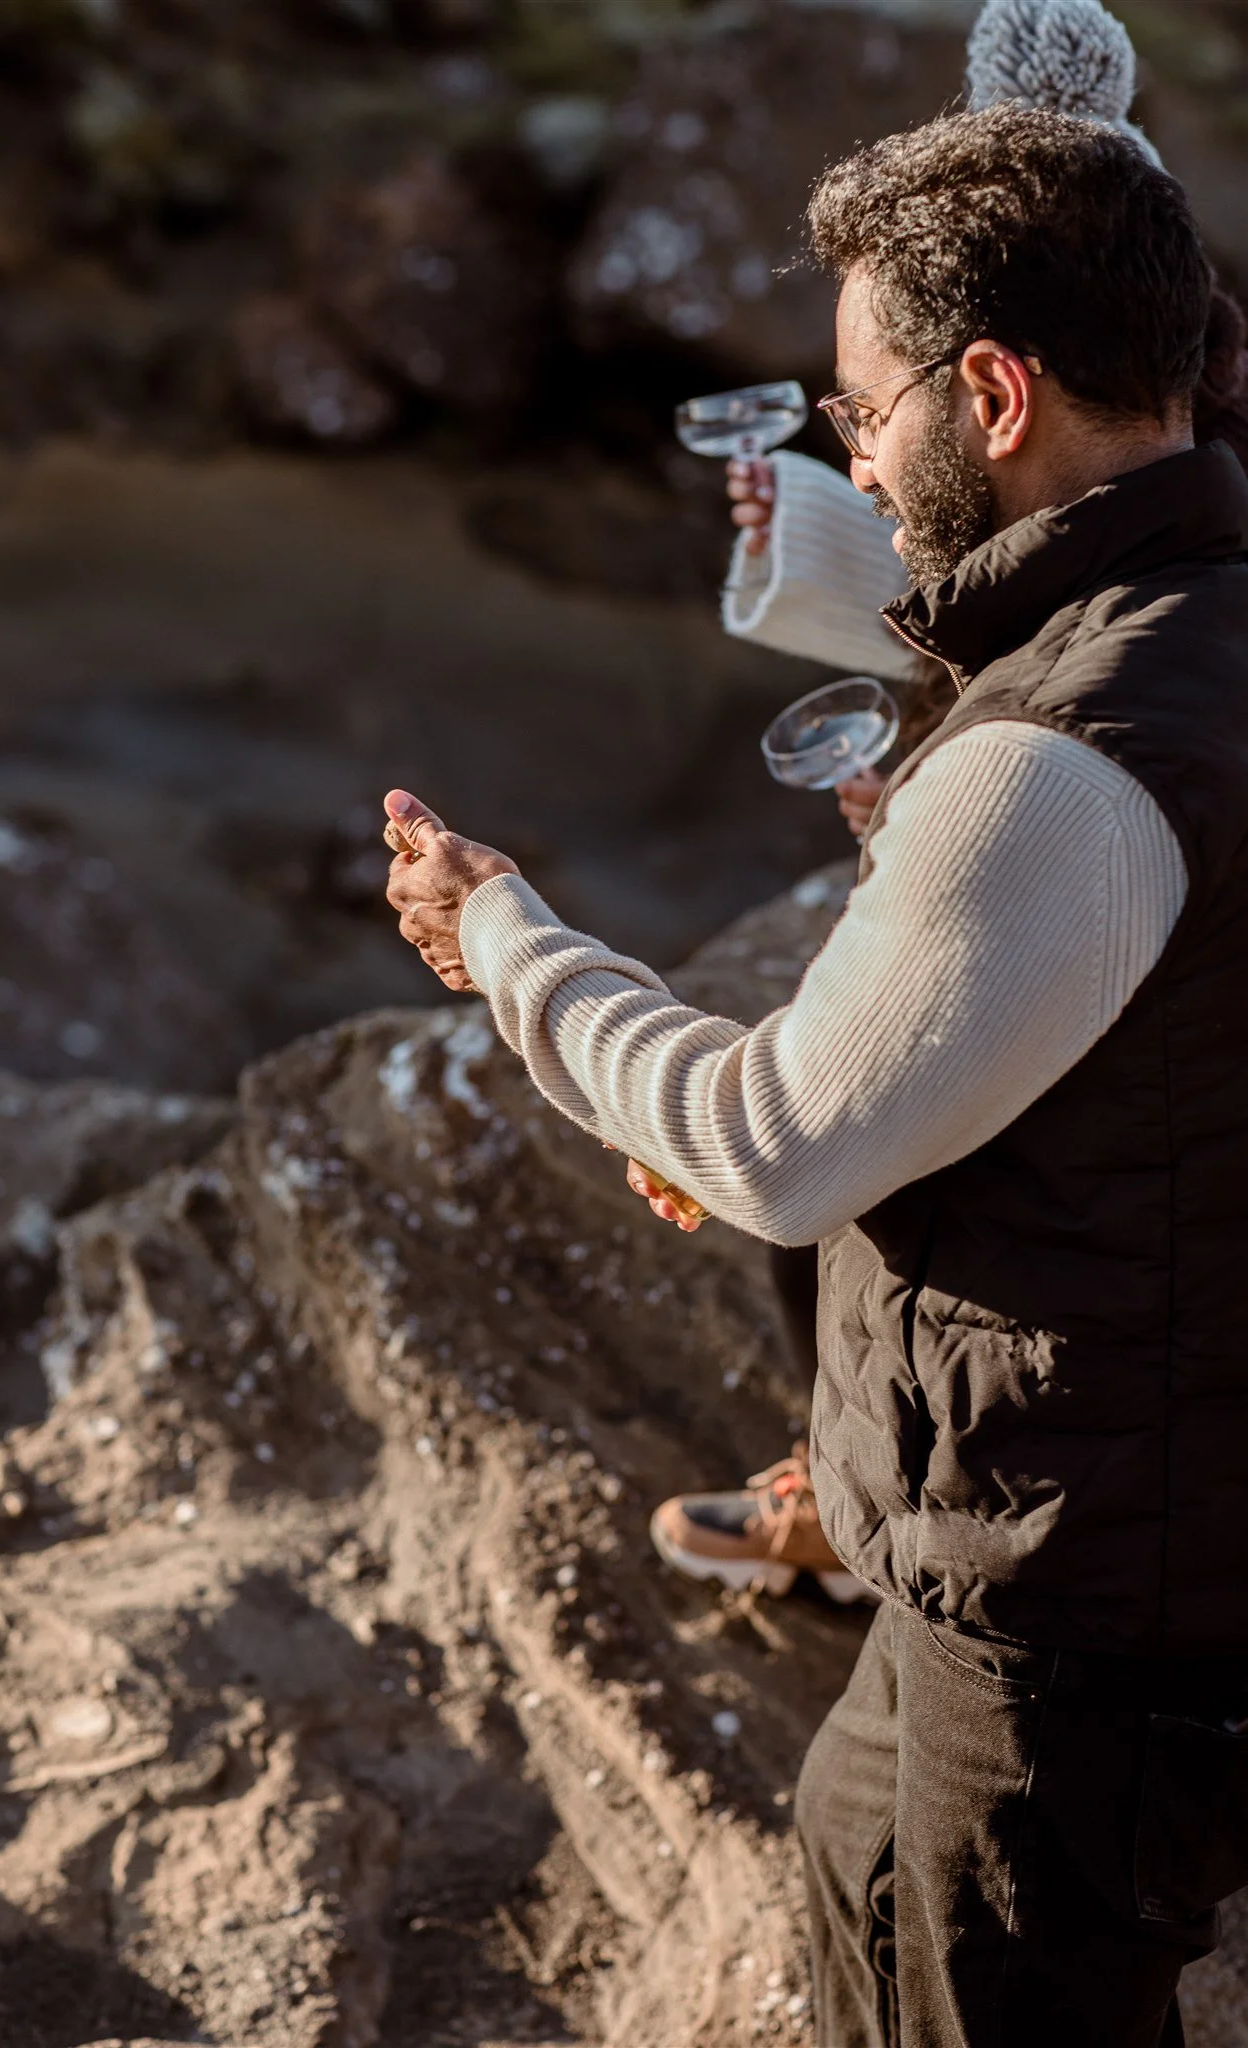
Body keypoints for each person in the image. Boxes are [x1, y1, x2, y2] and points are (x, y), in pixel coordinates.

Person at [386, 103, 1248, 2044]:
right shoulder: (1202, 611)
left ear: (995, 389)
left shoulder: (1058, 769)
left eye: (859, 406)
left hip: (1086, 1592)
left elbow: (772, 1143)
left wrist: (503, 938)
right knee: (859, 1825)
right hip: (1173, 1464)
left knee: (953, 1962)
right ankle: (840, 1511)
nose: (840, 442)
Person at [650, 0, 1248, 1616]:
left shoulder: (1153, 425)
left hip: (1090, 802)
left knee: (852, 1150)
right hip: (1029, 763)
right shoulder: (1145, 380)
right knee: (848, 1110)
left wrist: (501, 939)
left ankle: (867, 1508)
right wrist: (828, 550)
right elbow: (985, 575)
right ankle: (847, 1482)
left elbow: (1064, 613)